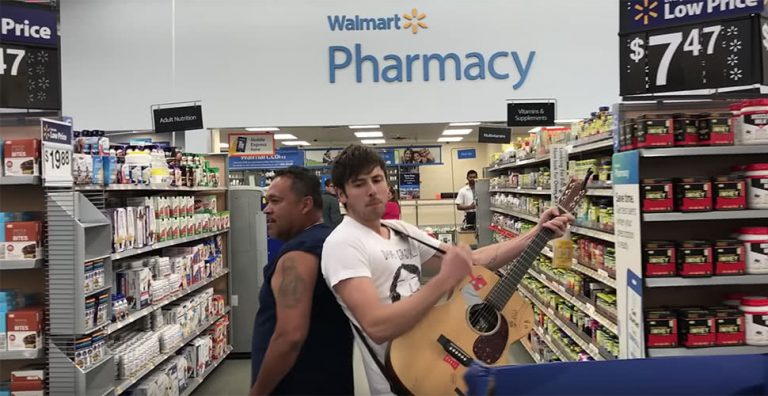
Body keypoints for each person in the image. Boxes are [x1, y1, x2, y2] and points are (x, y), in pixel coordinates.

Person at [321, 145, 573, 395]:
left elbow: (472, 261)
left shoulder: (399, 230)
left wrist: (537, 233)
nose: (371, 190)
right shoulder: (344, 243)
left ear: (388, 185)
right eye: (358, 184)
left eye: (377, 180)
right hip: (402, 381)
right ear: (341, 194)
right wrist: (443, 281)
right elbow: (376, 326)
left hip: (437, 359)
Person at [250, 166, 353, 396]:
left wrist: (258, 392)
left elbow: (290, 336)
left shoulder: (297, 256)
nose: (267, 210)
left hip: (297, 385)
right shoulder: (328, 239)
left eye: (275, 201)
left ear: (305, 204)